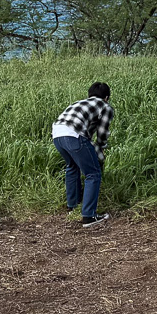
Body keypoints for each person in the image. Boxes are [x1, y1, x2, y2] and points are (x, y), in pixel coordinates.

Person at [52, 82, 114, 229]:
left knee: (72, 167)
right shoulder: (105, 106)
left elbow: (87, 130)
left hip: (57, 135)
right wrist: (101, 147)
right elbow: (102, 132)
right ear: (106, 97)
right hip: (73, 135)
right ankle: (89, 216)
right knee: (93, 173)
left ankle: (73, 206)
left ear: (90, 94)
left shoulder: (80, 103)